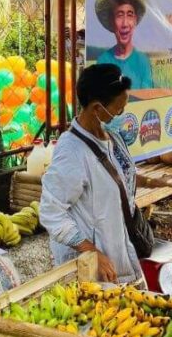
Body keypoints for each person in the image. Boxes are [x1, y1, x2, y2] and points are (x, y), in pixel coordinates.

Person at [40, 64, 145, 283]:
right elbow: (51, 212)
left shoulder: (111, 136)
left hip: (118, 252)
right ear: (97, 108)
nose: (121, 115)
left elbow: (117, 177)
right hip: (92, 268)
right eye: (118, 110)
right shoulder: (71, 152)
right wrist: (92, 252)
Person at [95, 0, 154, 90]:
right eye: (119, 15)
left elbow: (147, 94)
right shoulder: (103, 61)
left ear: (135, 20)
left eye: (130, 15)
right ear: (112, 21)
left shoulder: (143, 61)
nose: (125, 24)